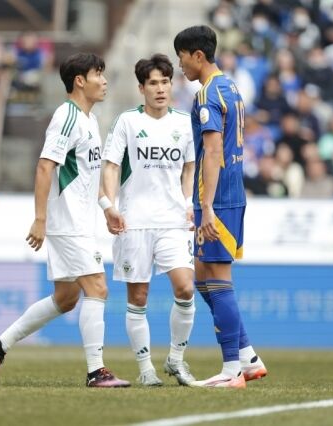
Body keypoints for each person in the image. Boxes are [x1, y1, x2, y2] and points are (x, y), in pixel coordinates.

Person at [0, 52, 130, 388]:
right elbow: (45, 165)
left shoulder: (89, 121)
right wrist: (39, 219)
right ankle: (96, 372)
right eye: (98, 74)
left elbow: (85, 178)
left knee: (66, 298)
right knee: (98, 287)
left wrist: (106, 206)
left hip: (79, 220)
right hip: (68, 223)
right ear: (80, 80)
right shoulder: (67, 116)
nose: (104, 81)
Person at [174, 25, 267, 388]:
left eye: (182, 57)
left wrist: (207, 207)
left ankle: (232, 370)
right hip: (227, 195)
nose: (180, 65)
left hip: (218, 200)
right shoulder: (231, 87)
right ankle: (247, 356)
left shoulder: (207, 95)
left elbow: (212, 151)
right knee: (201, 277)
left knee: (217, 279)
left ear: (198, 55)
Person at [101, 54, 196, 386]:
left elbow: (188, 168)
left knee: (185, 288)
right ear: (141, 87)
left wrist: (188, 203)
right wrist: (108, 205)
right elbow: (111, 165)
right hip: (135, 222)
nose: (160, 88)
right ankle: (146, 369)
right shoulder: (127, 121)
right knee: (138, 298)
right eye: (153, 83)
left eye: (165, 82)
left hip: (173, 221)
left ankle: (176, 359)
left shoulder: (185, 122)